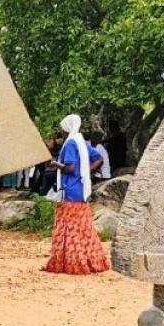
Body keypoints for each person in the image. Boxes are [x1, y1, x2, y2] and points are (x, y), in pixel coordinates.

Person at [43, 114, 110, 275]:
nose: (62, 132)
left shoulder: (70, 143)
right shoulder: (81, 142)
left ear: (67, 128)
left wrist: (54, 164)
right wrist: (85, 172)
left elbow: (69, 168)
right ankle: (91, 260)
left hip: (69, 190)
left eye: (63, 129)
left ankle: (71, 262)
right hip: (81, 189)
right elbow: (99, 158)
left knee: (67, 225)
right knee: (83, 227)